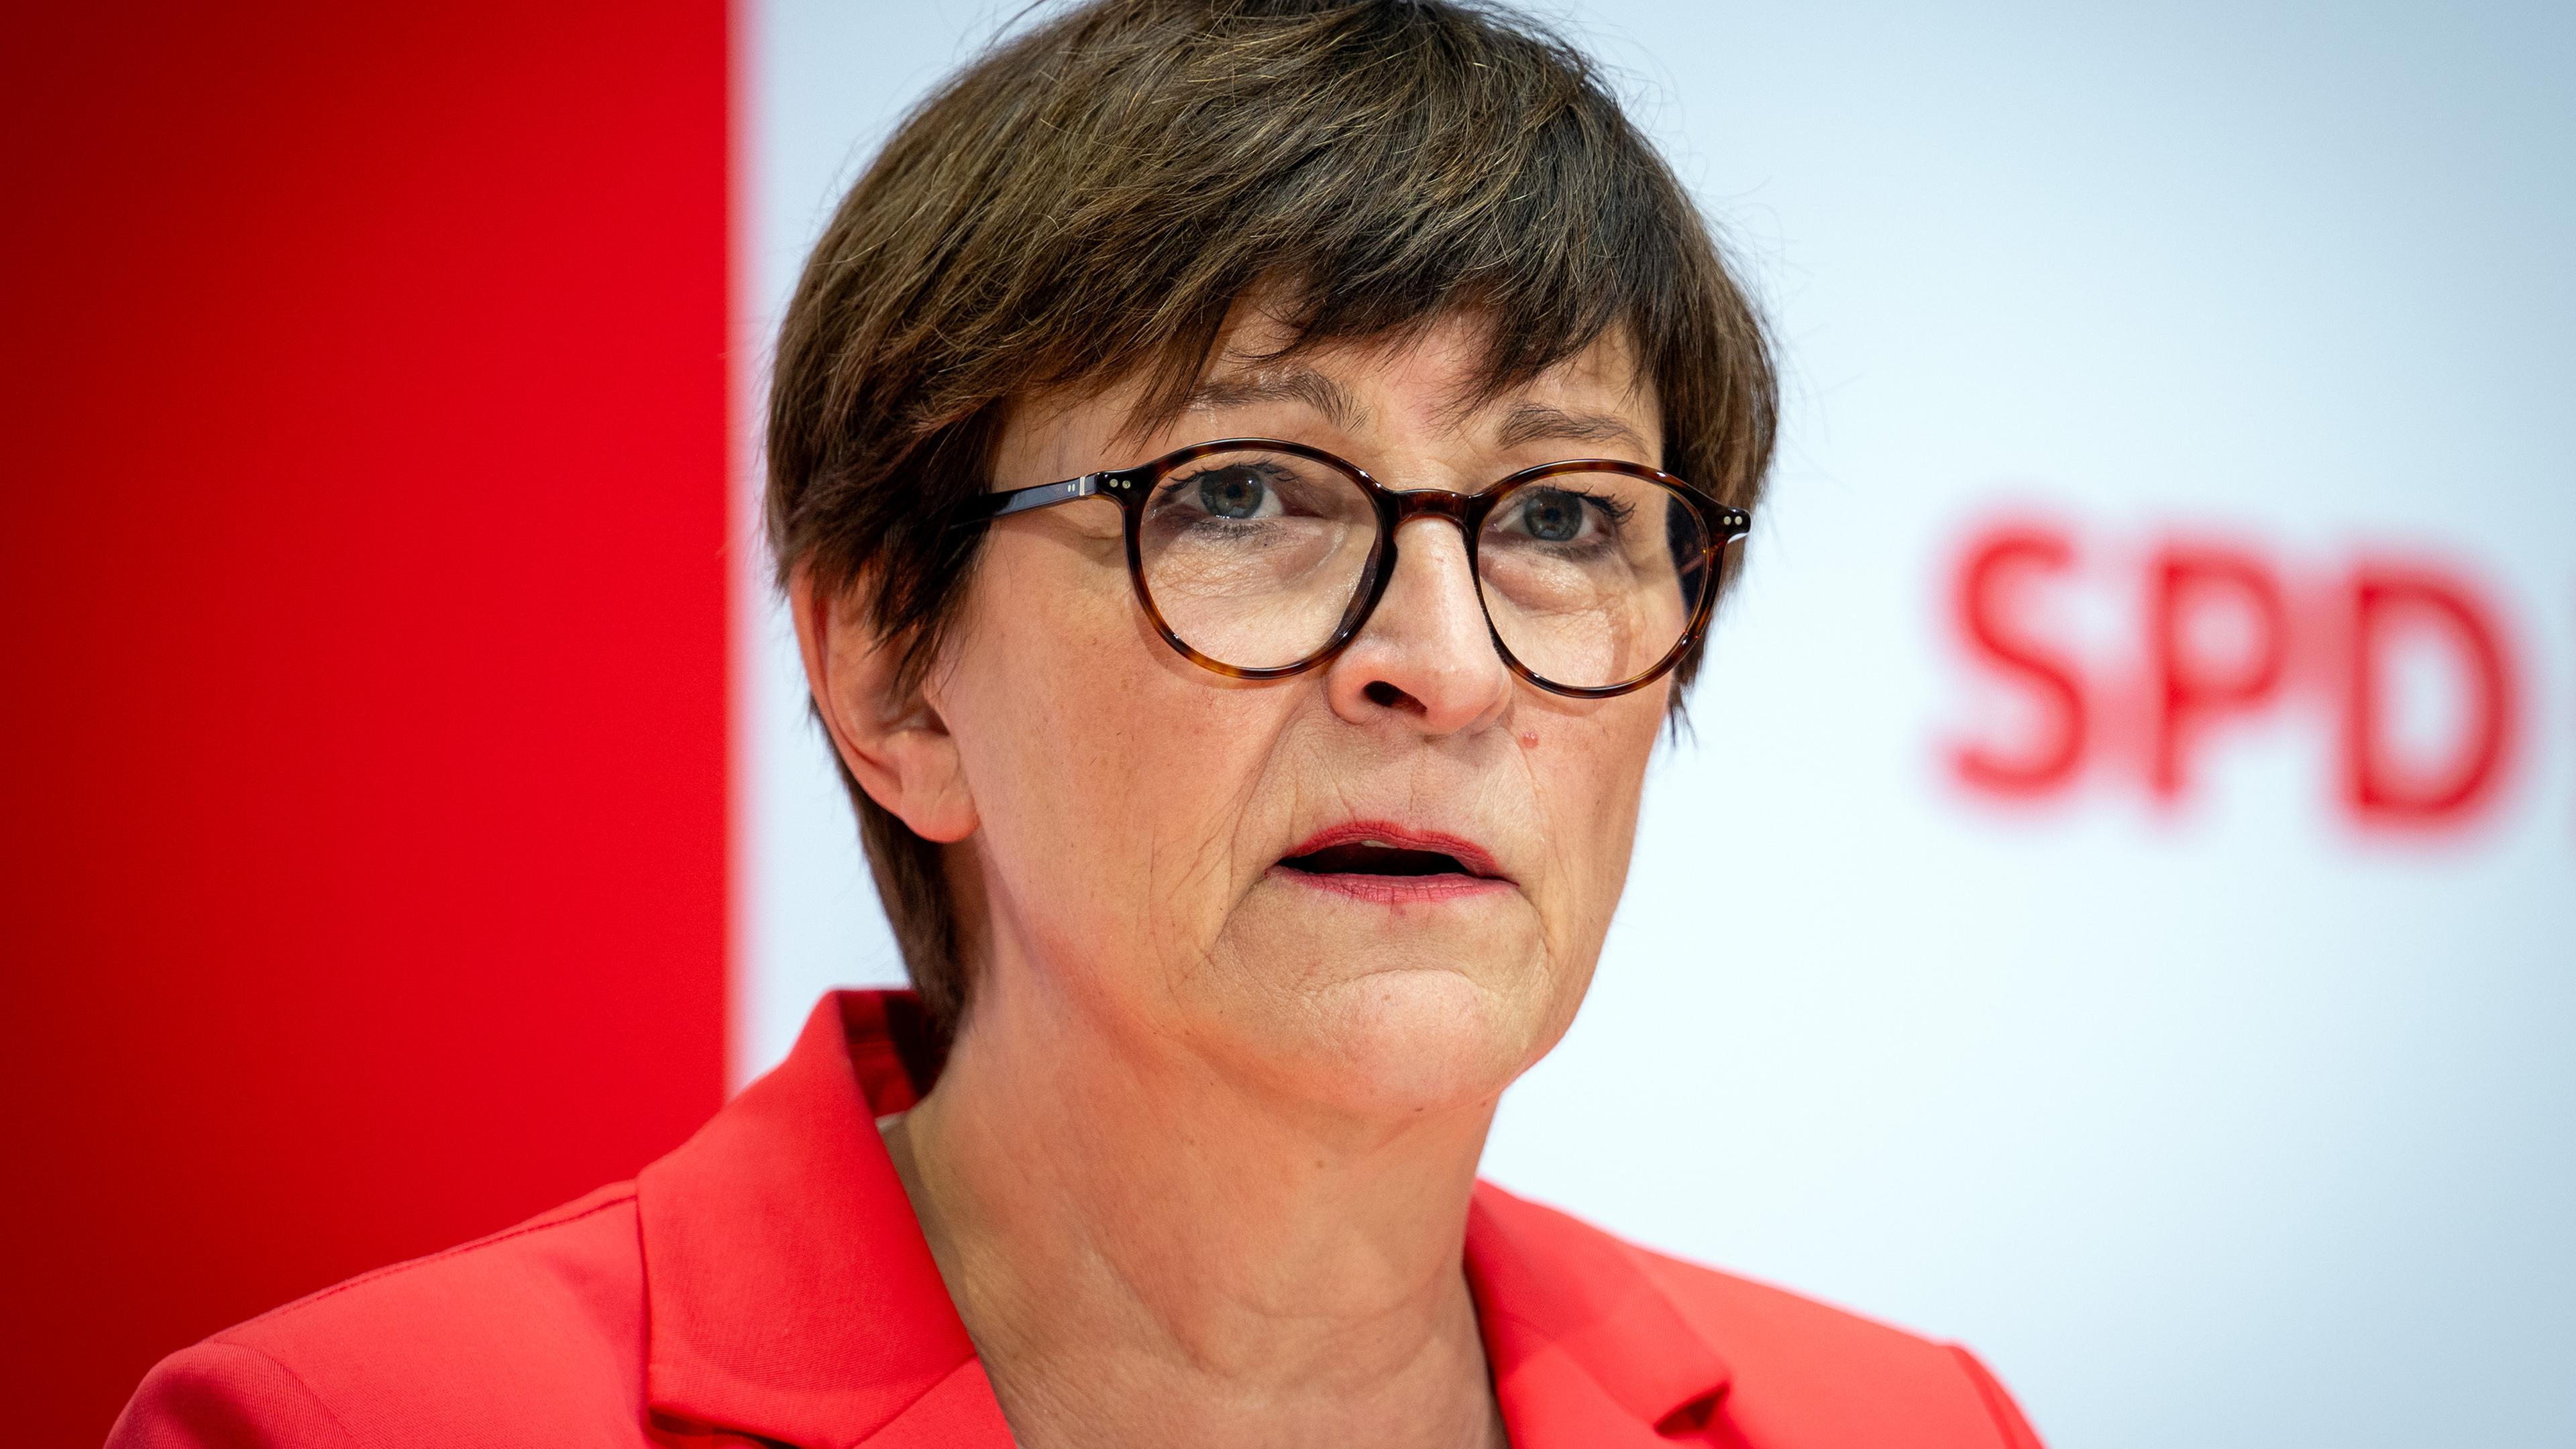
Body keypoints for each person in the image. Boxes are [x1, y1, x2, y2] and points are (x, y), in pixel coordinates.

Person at [112, 1, 2047, 1446]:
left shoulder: (1911, 1425)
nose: (1444, 665)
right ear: (893, 670)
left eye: (1561, 521)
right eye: (1244, 495)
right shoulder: (355, 1426)